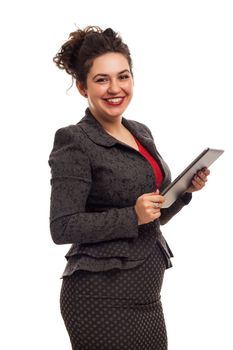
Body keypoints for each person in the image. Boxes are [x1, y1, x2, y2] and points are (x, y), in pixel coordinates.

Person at [49, 26, 210, 350]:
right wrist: (131, 215)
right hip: (98, 296)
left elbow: (154, 213)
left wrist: (184, 192)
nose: (115, 88)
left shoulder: (140, 131)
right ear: (82, 86)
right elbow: (62, 226)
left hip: (147, 298)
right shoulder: (74, 140)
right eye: (101, 79)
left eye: (123, 76)